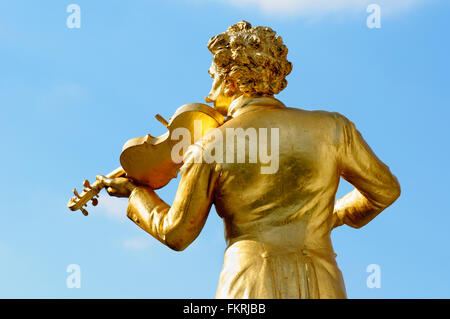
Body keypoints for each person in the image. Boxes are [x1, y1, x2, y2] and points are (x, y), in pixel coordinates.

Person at [97, 21, 400, 299]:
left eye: (213, 78)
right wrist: (333, 217)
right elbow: (385, 191)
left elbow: (176, 234)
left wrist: (138, 195)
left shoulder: (209, 146)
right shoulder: (334, 127)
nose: (209, 92)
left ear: (231, 82)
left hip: (248, 283)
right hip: (323, 281)